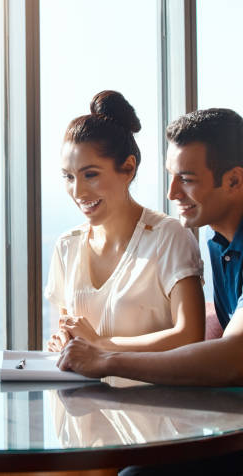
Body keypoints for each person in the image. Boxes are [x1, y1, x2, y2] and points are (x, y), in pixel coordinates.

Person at [57, 107, 243, 475]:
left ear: (234, 180)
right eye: (171, 177)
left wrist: (104, 356)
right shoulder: (219, 242)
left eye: (186, 179)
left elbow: (233, 358)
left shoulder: (176, 237)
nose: (172, 192)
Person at [45, 90, 205, 355]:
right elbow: (66, 339)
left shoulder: (167, 237)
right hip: (79, 395)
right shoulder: (66, 246)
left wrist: (99, 346)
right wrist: (61, 344)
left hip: (153, 396)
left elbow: (190, 337)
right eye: (69, 177)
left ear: (128, 168)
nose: (78, 192)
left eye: (90, 175)